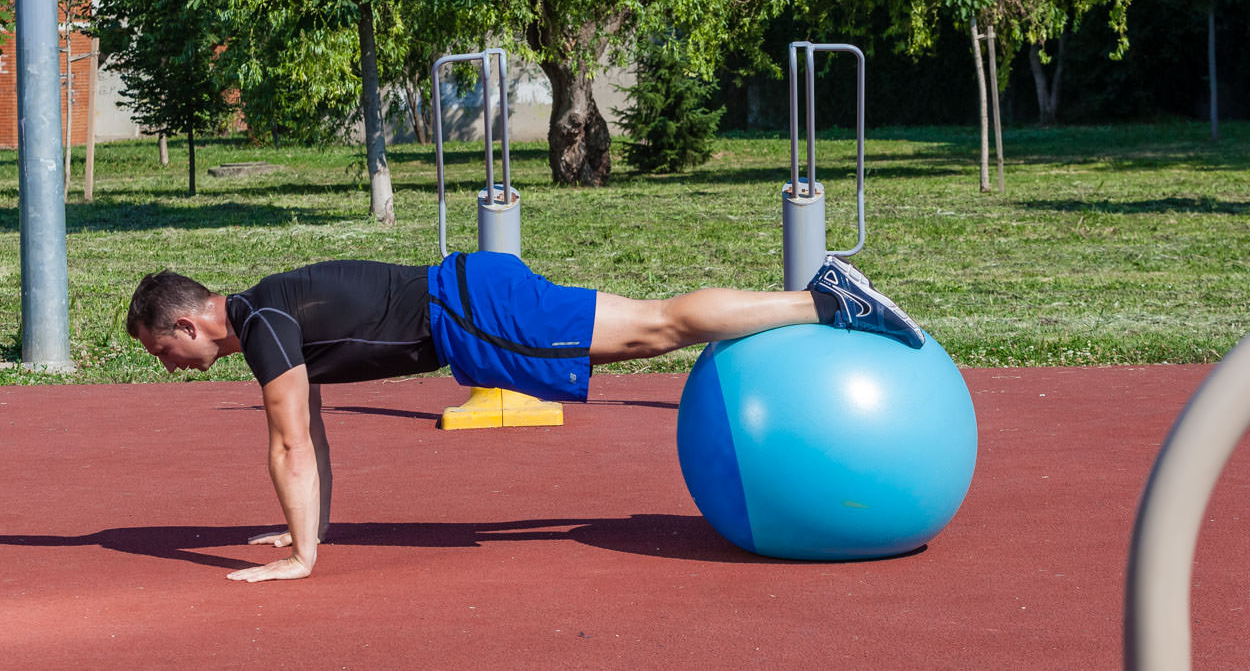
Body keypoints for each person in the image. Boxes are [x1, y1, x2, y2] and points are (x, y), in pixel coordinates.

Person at [126, 251, 923, 583]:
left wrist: (301, 560)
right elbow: (314, 433)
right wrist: (312, 532)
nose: (170, 366)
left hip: (472, 310)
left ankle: (824, 298)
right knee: (650, 329)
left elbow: (291, 438)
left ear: (192, 324)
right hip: (473, 310)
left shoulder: (263, 326)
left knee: (656, 326)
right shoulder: (271, 312)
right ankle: (820, 299)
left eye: (164, 351)